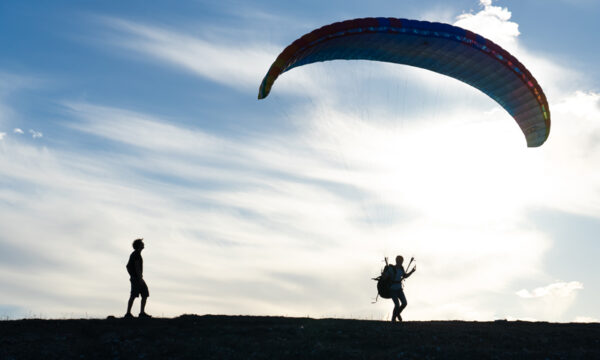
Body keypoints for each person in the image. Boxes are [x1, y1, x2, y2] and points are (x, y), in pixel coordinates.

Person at [383, 255, 416, 322]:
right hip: (392, 289)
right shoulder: (391, 269)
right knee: (397, 305)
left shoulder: (401, 268)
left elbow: (405, 276)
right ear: (397, 261)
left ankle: (397, 314)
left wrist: (412, 271)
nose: (401, 262)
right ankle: (393, 319)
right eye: (400, 261)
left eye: (401, 261)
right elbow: (385, 277)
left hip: (399, 289)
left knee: (404, 303)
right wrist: (384, 275)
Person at [125, 238, 151, 318]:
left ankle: (141, 313)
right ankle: (129, 313)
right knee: (134, 295)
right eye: (142, 243)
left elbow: (127, 266)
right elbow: (136, 267)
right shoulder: (136, 254)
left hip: (136, 277)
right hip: (137, 278)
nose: (143, 245)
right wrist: (139, 278)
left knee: (144, 294)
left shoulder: (136, 254)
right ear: (139, 245)